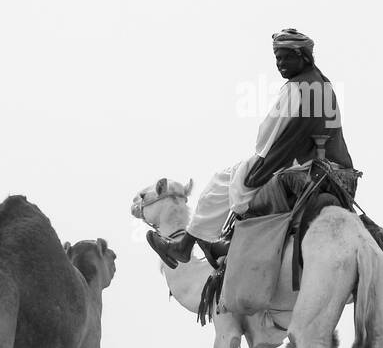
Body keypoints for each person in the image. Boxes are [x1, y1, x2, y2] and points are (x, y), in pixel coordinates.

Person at [147, 28, 353, 268]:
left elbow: (267, 138)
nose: (281, 64)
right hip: (336, 164)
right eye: (278, 58)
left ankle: (186, 245)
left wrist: (260, 165)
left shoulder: (295, 88)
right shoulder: (324, 84)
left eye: (287, 57)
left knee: (222, 181)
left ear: (303, 57)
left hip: (302, 163)